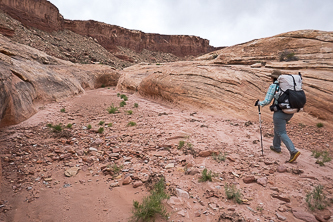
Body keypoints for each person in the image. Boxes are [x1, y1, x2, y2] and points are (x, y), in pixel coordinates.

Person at [255, 70, 301, 163]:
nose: (270, 78)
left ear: (273, 78)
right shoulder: (289, 86)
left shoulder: (274, 86)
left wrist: (259, 103)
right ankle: (276, 147)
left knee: (281, 132)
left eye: (271, 77)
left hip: (280, 112)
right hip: (290, 111)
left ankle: (293, 151)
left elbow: (267, 101)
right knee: (278, 129)